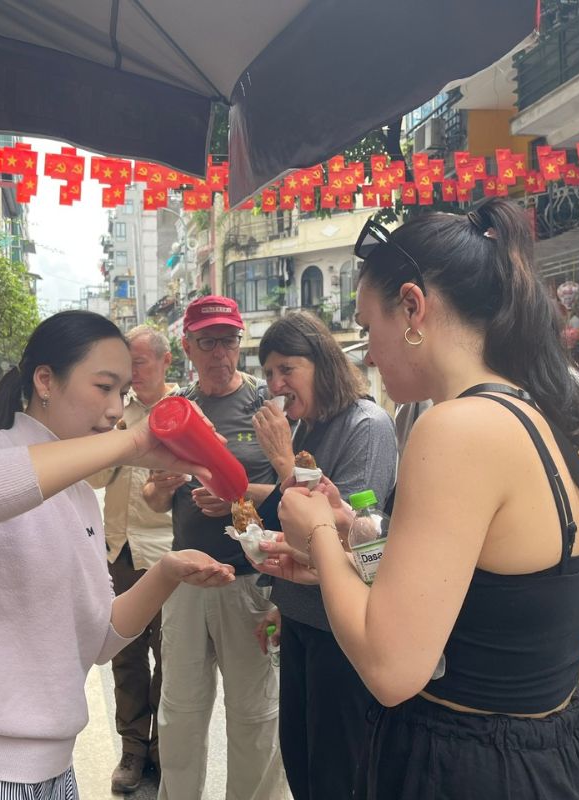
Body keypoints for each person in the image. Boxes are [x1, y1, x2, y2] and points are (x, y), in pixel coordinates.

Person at [260, 199, 579, 799]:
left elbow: (390, 668)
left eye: (367, 327)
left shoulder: (456, 428)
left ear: (412, 307)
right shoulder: (544, 416)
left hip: (467, 762)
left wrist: (323, 535)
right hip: (549, 750)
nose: (368, 349)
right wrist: (354, 539)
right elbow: (483, 598)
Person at [0, 310, 235, 800]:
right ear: (45, 380)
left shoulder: (80, 496)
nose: (115, 409)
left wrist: (169, 570)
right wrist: (129, 443)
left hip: (51, 773)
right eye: (103, 387)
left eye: (124, 393)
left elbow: (100, 638)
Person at [142, 295, 287, 800]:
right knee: (180, 712)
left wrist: (236, 497)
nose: (220, 352)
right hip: (186, 581)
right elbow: (153, 497)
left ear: (239, 340)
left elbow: (294, 490)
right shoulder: (175, 411)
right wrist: (160, 488)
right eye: (208, 342)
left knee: (254, 714)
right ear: (187, 347)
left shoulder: (267, 407)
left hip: (251, 582)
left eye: (227, 340)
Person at [249, 311, 396, 800]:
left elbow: (352, 536)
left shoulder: (367, 425)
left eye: (287, 369)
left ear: (322, 363)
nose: (276, 383)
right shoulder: (307, 428)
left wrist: (283, 462)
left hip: (342, 630)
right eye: (268, 372)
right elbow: (293, 532)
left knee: (337, 770)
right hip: (300, 620)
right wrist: (279, 602)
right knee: (298, 757)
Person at [87, 325, 178, 793]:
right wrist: (119, 431)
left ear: (164, 363)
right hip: (117, 550)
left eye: (139, 363)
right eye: (127, 365)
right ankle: (133, 750)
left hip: (162, 553)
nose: (132, 373)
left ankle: (163, 751)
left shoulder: (182, 412)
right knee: (125, 657)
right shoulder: (117, 413)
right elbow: (96, 478)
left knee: (169, 660)